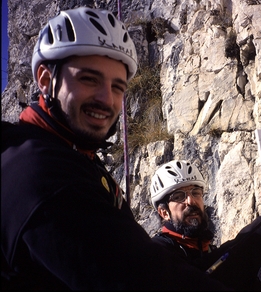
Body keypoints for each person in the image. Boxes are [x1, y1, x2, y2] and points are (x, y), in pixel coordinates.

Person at [1, 7, 235, 290]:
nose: (106, 99)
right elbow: (139, 277)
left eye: (117, 86)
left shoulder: (75, 156)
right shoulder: (41, 172)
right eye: (89, 79)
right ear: (46, 79)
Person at [150, 159, 261, 291]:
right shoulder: (159, 254)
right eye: (179, 196)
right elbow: (204, 279)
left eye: (196, 192)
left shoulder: (208, 251)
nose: (191, 201)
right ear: (164, 212)